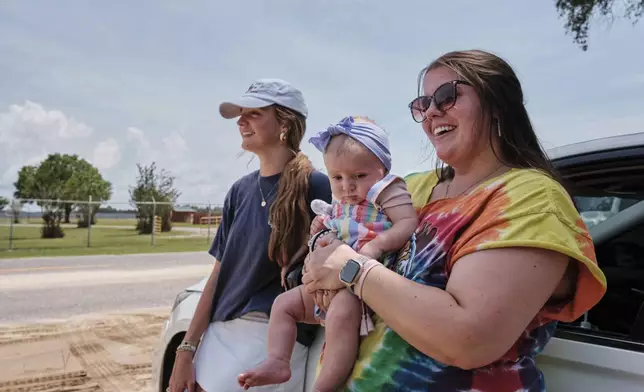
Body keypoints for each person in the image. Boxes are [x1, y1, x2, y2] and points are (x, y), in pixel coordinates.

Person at [301, 49, 608, 391]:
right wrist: (318, 259)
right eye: (423, 103)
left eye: (447, 97)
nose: (432, 111)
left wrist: (352, 269)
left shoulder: (532, 197)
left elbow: (468, 338)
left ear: (497, 103)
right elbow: (336, 246)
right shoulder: (408, 188)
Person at [168, 78, 332, 392]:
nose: (241, 120)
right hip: (219, 334)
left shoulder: (316, 186)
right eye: (240, 113)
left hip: (273, 343)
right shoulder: (239, 192)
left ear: (285, 122)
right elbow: (219, 275)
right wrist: (186, 349)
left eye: (254, 113)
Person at [237, 116, 418, 391]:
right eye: (337, 177)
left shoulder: (386, 190)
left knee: (341, 317)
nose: (347, 186)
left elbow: (407, 222)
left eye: (359, 176)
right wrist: (320, 228)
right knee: (283, 304)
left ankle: (325, 385)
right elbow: (332, 228)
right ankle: (277, 360)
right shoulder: (342, 201)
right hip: (326, 282)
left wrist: (378, 245)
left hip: (360, 286)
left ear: (382, 168)